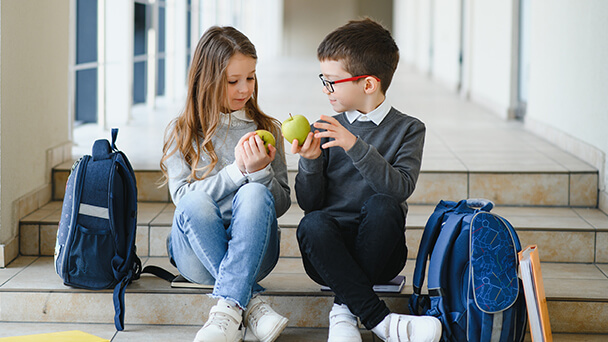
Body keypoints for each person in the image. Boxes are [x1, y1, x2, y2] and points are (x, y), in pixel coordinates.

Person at [291, 18, 442, 342]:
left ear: (368, 84)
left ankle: (344, 311)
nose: (325, 89)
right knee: (312, 223)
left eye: (331, 81)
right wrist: (311, 163)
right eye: (324, 80)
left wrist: (355, 145)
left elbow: (400, 188)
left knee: (384, 205)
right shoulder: (325, 127)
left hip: (382, 251)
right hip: (328, 254)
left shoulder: (409, 129)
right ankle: (381, 321)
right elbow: (308, 202)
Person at [160, 26, 290, 342]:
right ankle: (249, 303)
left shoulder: (267, 128)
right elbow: (182, 201)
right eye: (233, 81)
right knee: (193, 200)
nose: (244, 88)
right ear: (207, 80)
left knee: (257, 192)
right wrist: (237, 171)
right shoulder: (183, 132)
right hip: (196, 254)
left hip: (256, 251)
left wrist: (259, 173)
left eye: (251, 77)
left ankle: (230, 305)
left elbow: (282, 203)